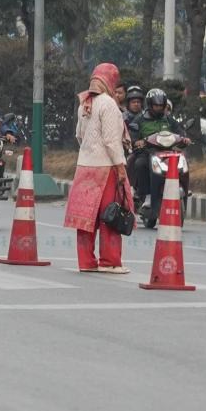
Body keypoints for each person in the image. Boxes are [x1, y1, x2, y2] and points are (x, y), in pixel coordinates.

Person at [64, 63, 133, 273]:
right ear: (111, 81)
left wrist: (88, 151)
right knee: (110, 216)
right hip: (106, 168)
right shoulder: (109, 105)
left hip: (84, 167)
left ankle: (86, 262)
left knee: (85, 219)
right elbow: (112, 142)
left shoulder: (84, 103)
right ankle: (109, 261)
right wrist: (121, 168)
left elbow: (79, 135)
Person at [128, 88, 189, 205]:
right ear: (150, 105)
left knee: (183, 160)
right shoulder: (140, 119)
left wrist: (184, 139)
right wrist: (137, 142)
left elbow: (179, 131)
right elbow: (133, 136)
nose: (159, 108)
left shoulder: (168, 119)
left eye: (161, 106)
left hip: (168, 153)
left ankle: (184, 188)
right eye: (156, 106)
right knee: (140, 164)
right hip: (147, 152)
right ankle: (145, 195)